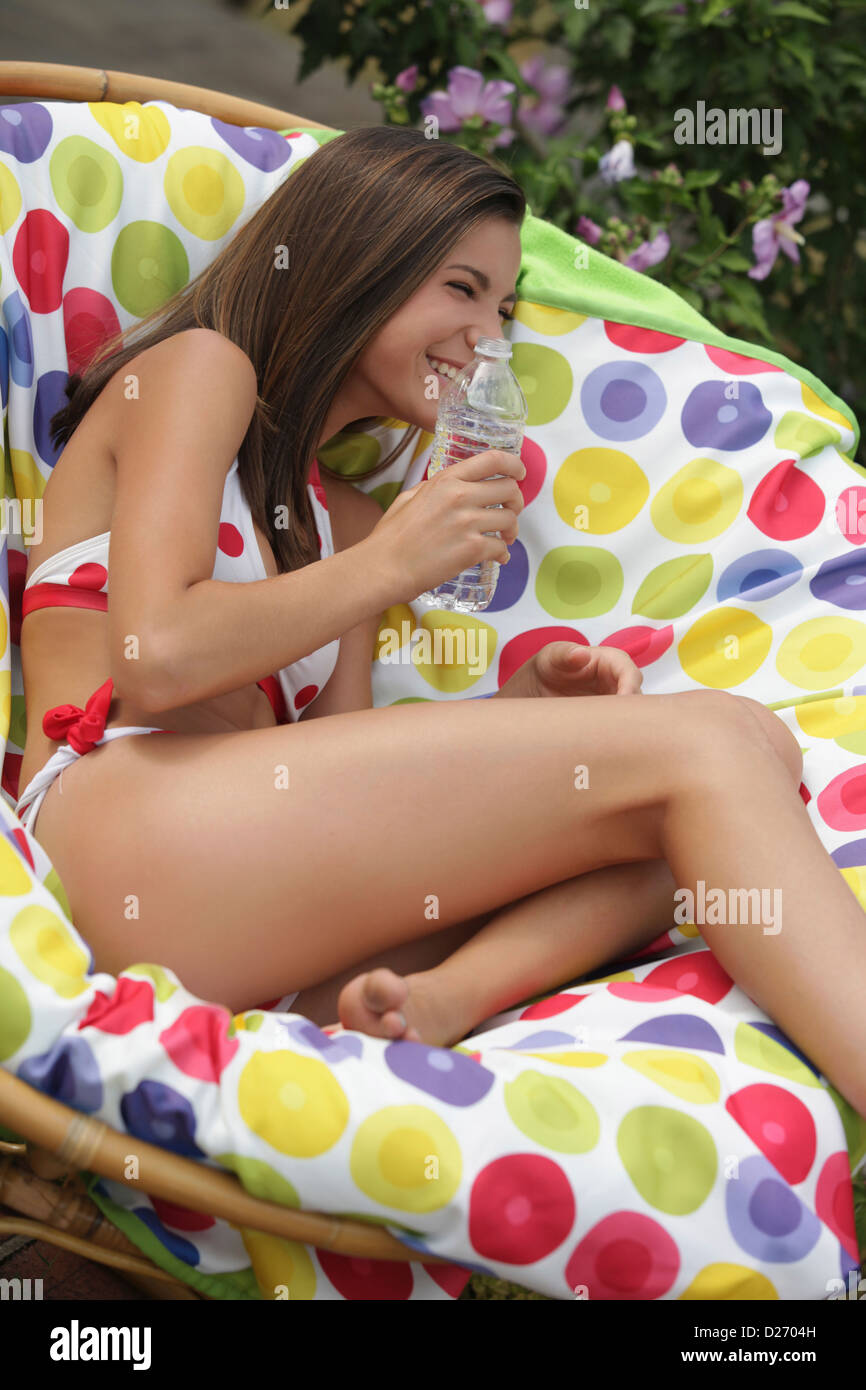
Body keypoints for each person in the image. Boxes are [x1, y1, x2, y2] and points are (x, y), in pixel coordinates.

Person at [15, 127, 866, 1122]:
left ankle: (438, 1002)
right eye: (459, 290)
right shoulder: (199, 373)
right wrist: (389, 567)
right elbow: (152, 659)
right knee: (706, 745)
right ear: (352, 264)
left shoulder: (344, 518)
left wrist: (522, 714)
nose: (484, 335)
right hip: (112, 839)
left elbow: (327, 769)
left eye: (501, 308)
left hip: (252, 917)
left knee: (731, 764)